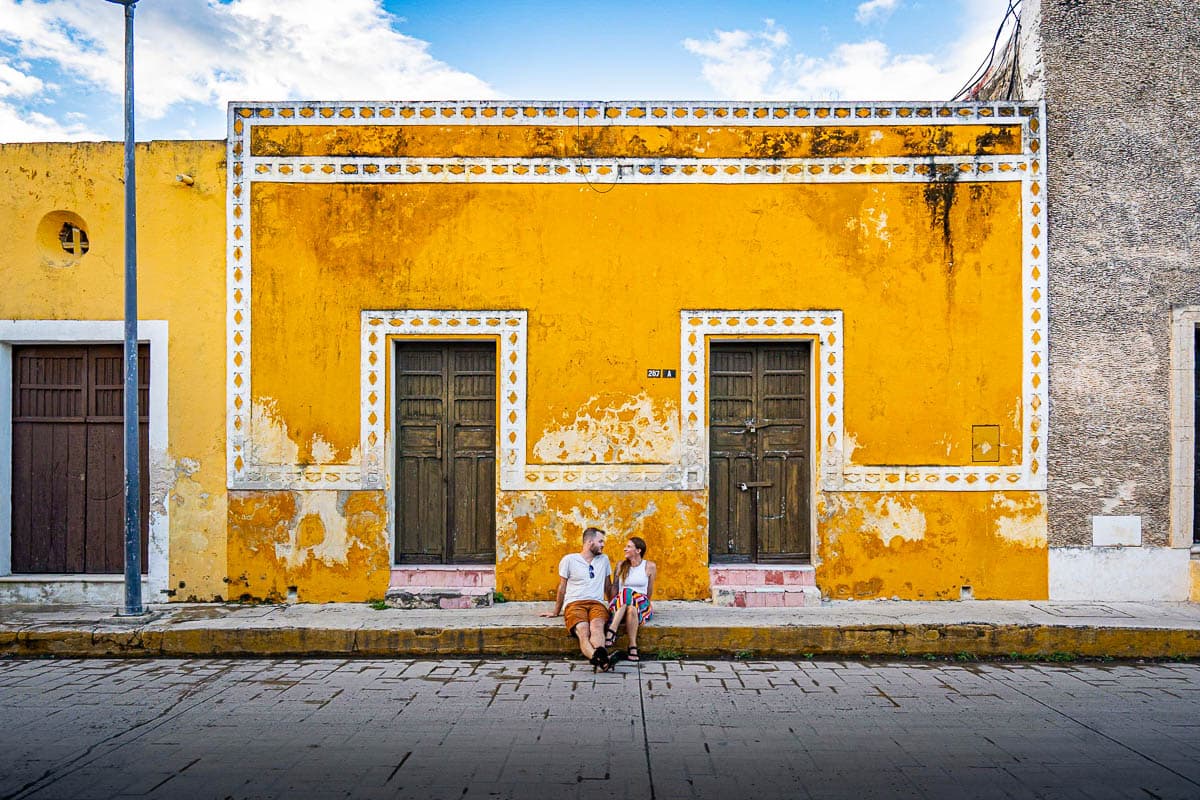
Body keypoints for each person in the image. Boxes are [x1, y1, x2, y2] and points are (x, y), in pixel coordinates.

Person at [539, 526, 616, 671]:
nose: (603, 545)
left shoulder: (604, 560)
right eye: (600, 541)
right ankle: (601, 659)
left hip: (597, 604)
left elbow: (608, 586)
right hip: (574, 604)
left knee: (597, 627)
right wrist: (556, 611)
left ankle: (599, 659)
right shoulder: (569, 560)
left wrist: (615, 607)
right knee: (583, 630)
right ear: (589, 542)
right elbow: (562, 588)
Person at [604, 536, 655, 663]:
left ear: (638, 550)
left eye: (628, 547)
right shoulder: (621, 565)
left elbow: (649, 590)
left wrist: (644, 604)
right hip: (620, 603)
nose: (625, 549)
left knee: (629, 596)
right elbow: (615, 587)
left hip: (641, 602)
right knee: (629, 603)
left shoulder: (649, 566)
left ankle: (612, 630)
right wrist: (612, 604)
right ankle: (633, 646)